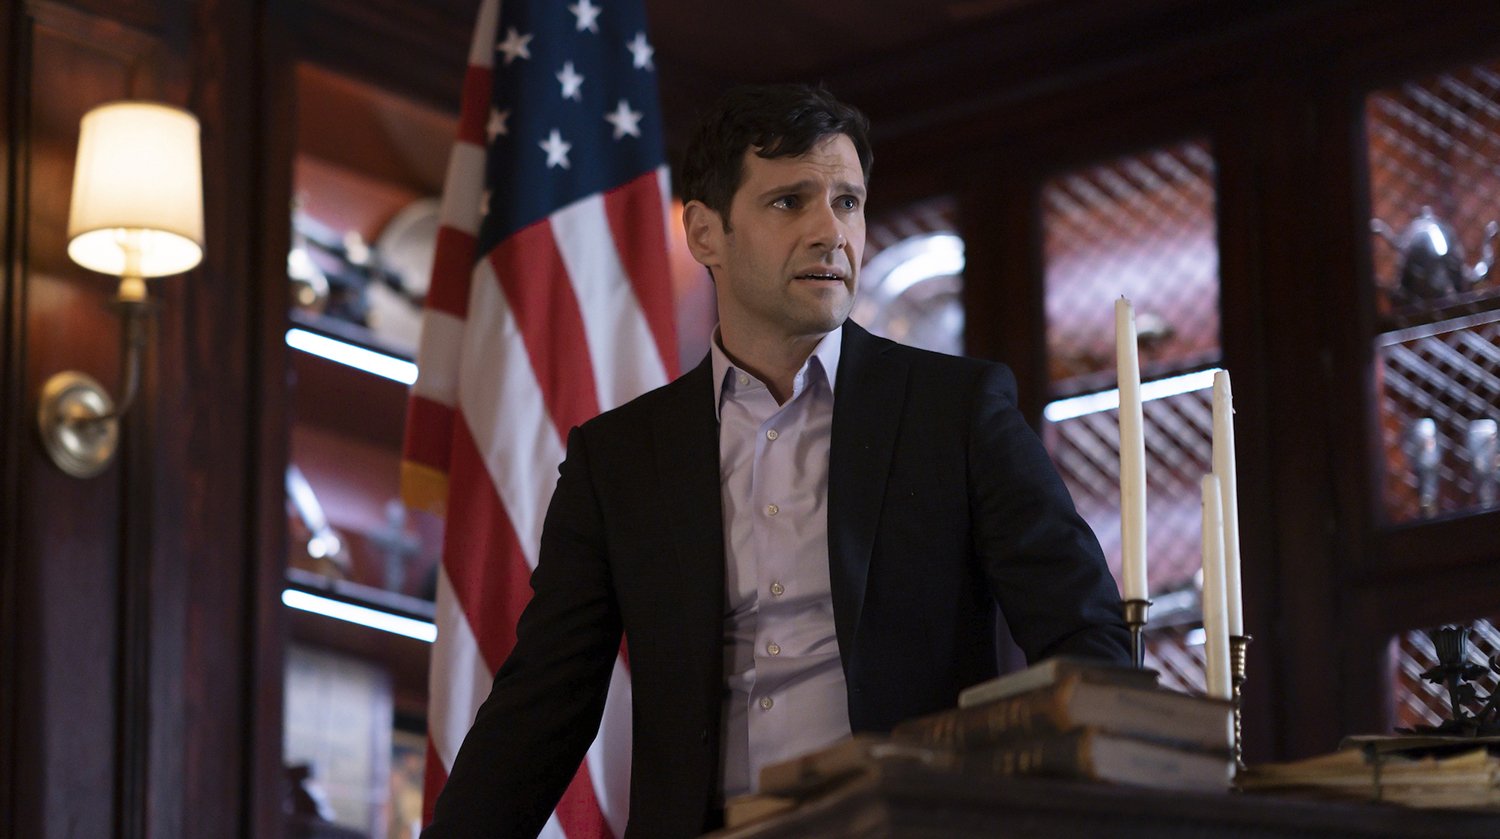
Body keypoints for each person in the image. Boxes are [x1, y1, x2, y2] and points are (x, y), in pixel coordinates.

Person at [426, 83, 1128, 838]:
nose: (833, 231)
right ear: (705, 234)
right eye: (791, 202)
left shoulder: (957, 411)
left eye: (849, 202)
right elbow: (542, 709)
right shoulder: (617, 458)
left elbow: (1085, 638)